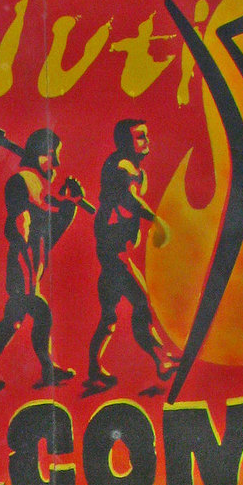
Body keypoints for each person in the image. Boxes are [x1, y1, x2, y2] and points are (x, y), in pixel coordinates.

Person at [0, 127, 89, 389]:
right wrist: (64, 203)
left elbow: (51, 233)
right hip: (22, 266)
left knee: (14, 320)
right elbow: (21, 224)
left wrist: (68, 206)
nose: (58, 163)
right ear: (40, 155)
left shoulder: (36, 184)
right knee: (42, 313)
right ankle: (48, 368)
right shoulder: (22, 181)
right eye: (53, 155)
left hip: (33, 265)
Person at [84, 118, 177, 392]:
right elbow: (130, 200)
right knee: (141, 301)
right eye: (139, 137)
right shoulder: (122, 166)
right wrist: (157, 221)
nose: (146, 141)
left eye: (146, 135)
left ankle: (94, 367)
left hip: (118, 250)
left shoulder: (138, 171)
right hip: (114, 252)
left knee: (109, 317)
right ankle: (161, 359)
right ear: (125, 143)